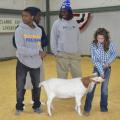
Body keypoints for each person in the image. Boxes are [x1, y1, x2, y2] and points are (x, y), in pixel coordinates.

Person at [15, 7, 46, 115]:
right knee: (20, 86)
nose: (23, 18)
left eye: (26, 16)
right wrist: (38, 51)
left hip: (36, 63)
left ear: (32, 17)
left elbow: (39, 45)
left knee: (37, 86)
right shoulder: (19, 30)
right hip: (22, 62)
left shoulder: (38, 30)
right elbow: (21, 49)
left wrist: (41, 52)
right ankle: (19, 107)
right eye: (22, 15)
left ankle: (36, 106)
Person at [84, 28, 117, 116]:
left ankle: (103, 107)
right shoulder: (93, 45)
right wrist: (101, 72)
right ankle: (87, 109)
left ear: (105, 38)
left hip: (107, 69)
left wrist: (108, 62)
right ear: (96, 37)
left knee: (104, 89)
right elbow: (95, 60)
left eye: (102, 38)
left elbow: (114, 54)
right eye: (98, 38)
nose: (100, 40)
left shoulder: (111, 43)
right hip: (97, 68)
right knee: (91, 88)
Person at [50, 0, 82, 79]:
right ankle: (62, 91)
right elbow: (53, 38)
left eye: (65, 11)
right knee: (62, 77)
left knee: (78, 77)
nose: (63, 13)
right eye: (62, 11)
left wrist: (78, 50)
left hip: (75, 54)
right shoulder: (57, 23)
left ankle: (77, 91)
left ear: (70, 12)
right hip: (62, 54)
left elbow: (77, 37)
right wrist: (55, 52)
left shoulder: (75, 23)